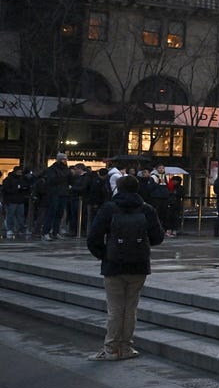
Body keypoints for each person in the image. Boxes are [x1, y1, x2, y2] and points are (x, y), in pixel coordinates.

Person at [84, 174, 165, 361]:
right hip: (139, 265)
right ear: (138, 189)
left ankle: (111, 348)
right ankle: (127, 347)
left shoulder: (109, 208)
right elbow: (157, 237)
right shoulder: (147, 209)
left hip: (114, 265)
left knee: (115, 308)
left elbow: (93, 238)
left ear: (118, 188)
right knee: (130, 308)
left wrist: (105, 255)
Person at [39, 152, 71, 240]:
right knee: (52, 213)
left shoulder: (66, 169)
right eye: (63, 159)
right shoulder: (53, 169)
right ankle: (46, 232)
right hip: (54, 193)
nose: (65, 161)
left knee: (59, 213)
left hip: (63, 192)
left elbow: (70, 179)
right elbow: (52, 179)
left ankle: (55, 232)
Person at [3, 166, 28, 239]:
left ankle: (20, 229)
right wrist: (17, 188)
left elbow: (26, 187)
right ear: (15, 171)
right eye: (19, 171)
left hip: (19, 200)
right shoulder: (9, 180)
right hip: (12, 200)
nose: (20, 173)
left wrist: (23, 188)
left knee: (20, 216)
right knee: (10, 215)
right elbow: (6, 190)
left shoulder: (22, 179)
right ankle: (10, 229)